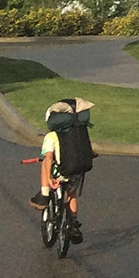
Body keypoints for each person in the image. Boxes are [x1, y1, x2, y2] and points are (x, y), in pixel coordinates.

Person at [30, 97, 94, 242]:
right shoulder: (79, 134)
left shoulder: (51, 136)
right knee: (71, 194)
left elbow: (48, 160)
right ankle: (73, 224)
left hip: (60, 173)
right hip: (76, 171)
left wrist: (50, 179)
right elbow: (89, 151)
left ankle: (44, 196)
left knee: (44, 166)